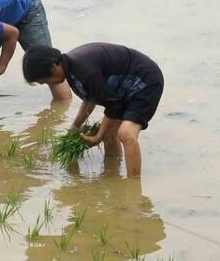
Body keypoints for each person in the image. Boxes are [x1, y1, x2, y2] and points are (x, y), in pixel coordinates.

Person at [22, 43, 164, 178]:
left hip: (145, 81)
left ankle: (133, 187)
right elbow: (91, 98)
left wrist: (98, 137)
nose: (50, 84)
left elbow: (112, 105)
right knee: (110, 132)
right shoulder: (71, 68)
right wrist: (74, 128)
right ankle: (112, 174)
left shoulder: (84, 70)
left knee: (126, 134)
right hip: (123, 89)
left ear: (54, 66)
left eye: (47, 80)